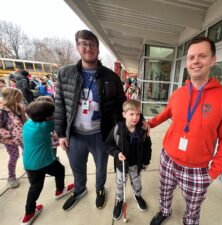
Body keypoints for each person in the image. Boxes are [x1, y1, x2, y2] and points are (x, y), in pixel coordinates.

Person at [147, 37, 222, 225]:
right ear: (187, 62)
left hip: (197, 169)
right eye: (191, 57)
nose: (196, 61)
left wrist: (214, 172)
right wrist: (150, 124)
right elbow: (166, 114)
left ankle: (189, 221)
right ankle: (164, 211)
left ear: (213, 60)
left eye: (202, 56)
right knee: (164, 190)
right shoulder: (178, 93)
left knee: (193, 207)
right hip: (169, 159)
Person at [54, 29, 126, 211]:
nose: (88, 48)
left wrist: (124, 130)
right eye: (84, 44)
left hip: (101, 135)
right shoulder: (65, 74)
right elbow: (60, 105)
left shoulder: (112, 77)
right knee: (77, 166)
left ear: (98, 49)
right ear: (77, 47)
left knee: (101, 167)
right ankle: (79, 189)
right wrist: (61, 133)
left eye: (92, 44)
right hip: (75, 135)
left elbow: (121, 106)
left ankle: (100, 189)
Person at [21, 101, 74, 225]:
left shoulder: (28, 123)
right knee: (60, 170)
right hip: (44, 162)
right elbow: (61, 121)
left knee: (35, 187)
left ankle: (28, 215)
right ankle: (60, 190)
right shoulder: (46, 125)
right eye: (52, 113)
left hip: (29, 163)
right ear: (46, 117)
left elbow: (52, 135)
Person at [105, 99, 152, 220]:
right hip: (122, 164)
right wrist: (117, 153)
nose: (135, 117)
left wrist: (146, 161)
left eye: (137, 114)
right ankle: (119, 200)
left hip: (136, 164)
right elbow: (108, 145)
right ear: (124, 114)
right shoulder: (117, 129)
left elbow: (147, 147)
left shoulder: (142, 129)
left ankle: (137, 195)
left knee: (137, 181)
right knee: (120, 183)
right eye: (131, 114)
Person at [0, 87, 27, 189]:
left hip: (23, 136)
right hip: (10, 140)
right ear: (13, 97)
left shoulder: (19, 107)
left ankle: (31, 169)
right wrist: (11, 134)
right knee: (14, 156)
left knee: (28, 152)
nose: (21, 99)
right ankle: (11, 177)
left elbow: (25, 121)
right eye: (19, 98)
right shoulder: (2, 110)